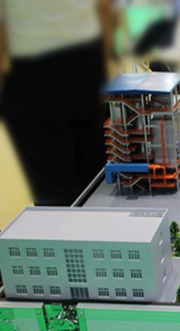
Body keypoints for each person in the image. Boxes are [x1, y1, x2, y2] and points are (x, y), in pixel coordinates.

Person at [0, 0, 114, 206]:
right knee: (98, 182)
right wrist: (103, 64)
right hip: (86, 62)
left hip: (32, 74)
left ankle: (60, 223)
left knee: (53, 191)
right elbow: (105, 6)